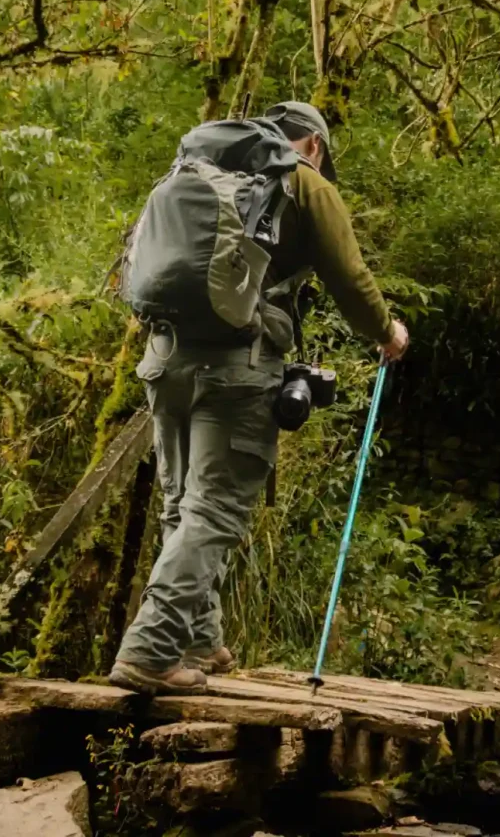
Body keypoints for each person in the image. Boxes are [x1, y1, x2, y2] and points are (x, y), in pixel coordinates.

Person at [108, 101, 409, 695]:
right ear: (315, 145)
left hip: (164, 358)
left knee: (181, 502)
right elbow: (349, 278)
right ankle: (150, 648)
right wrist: (386, 332)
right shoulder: (301, 180)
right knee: (215, 508)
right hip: (238, 367)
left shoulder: (190, 166)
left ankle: (198, 639)